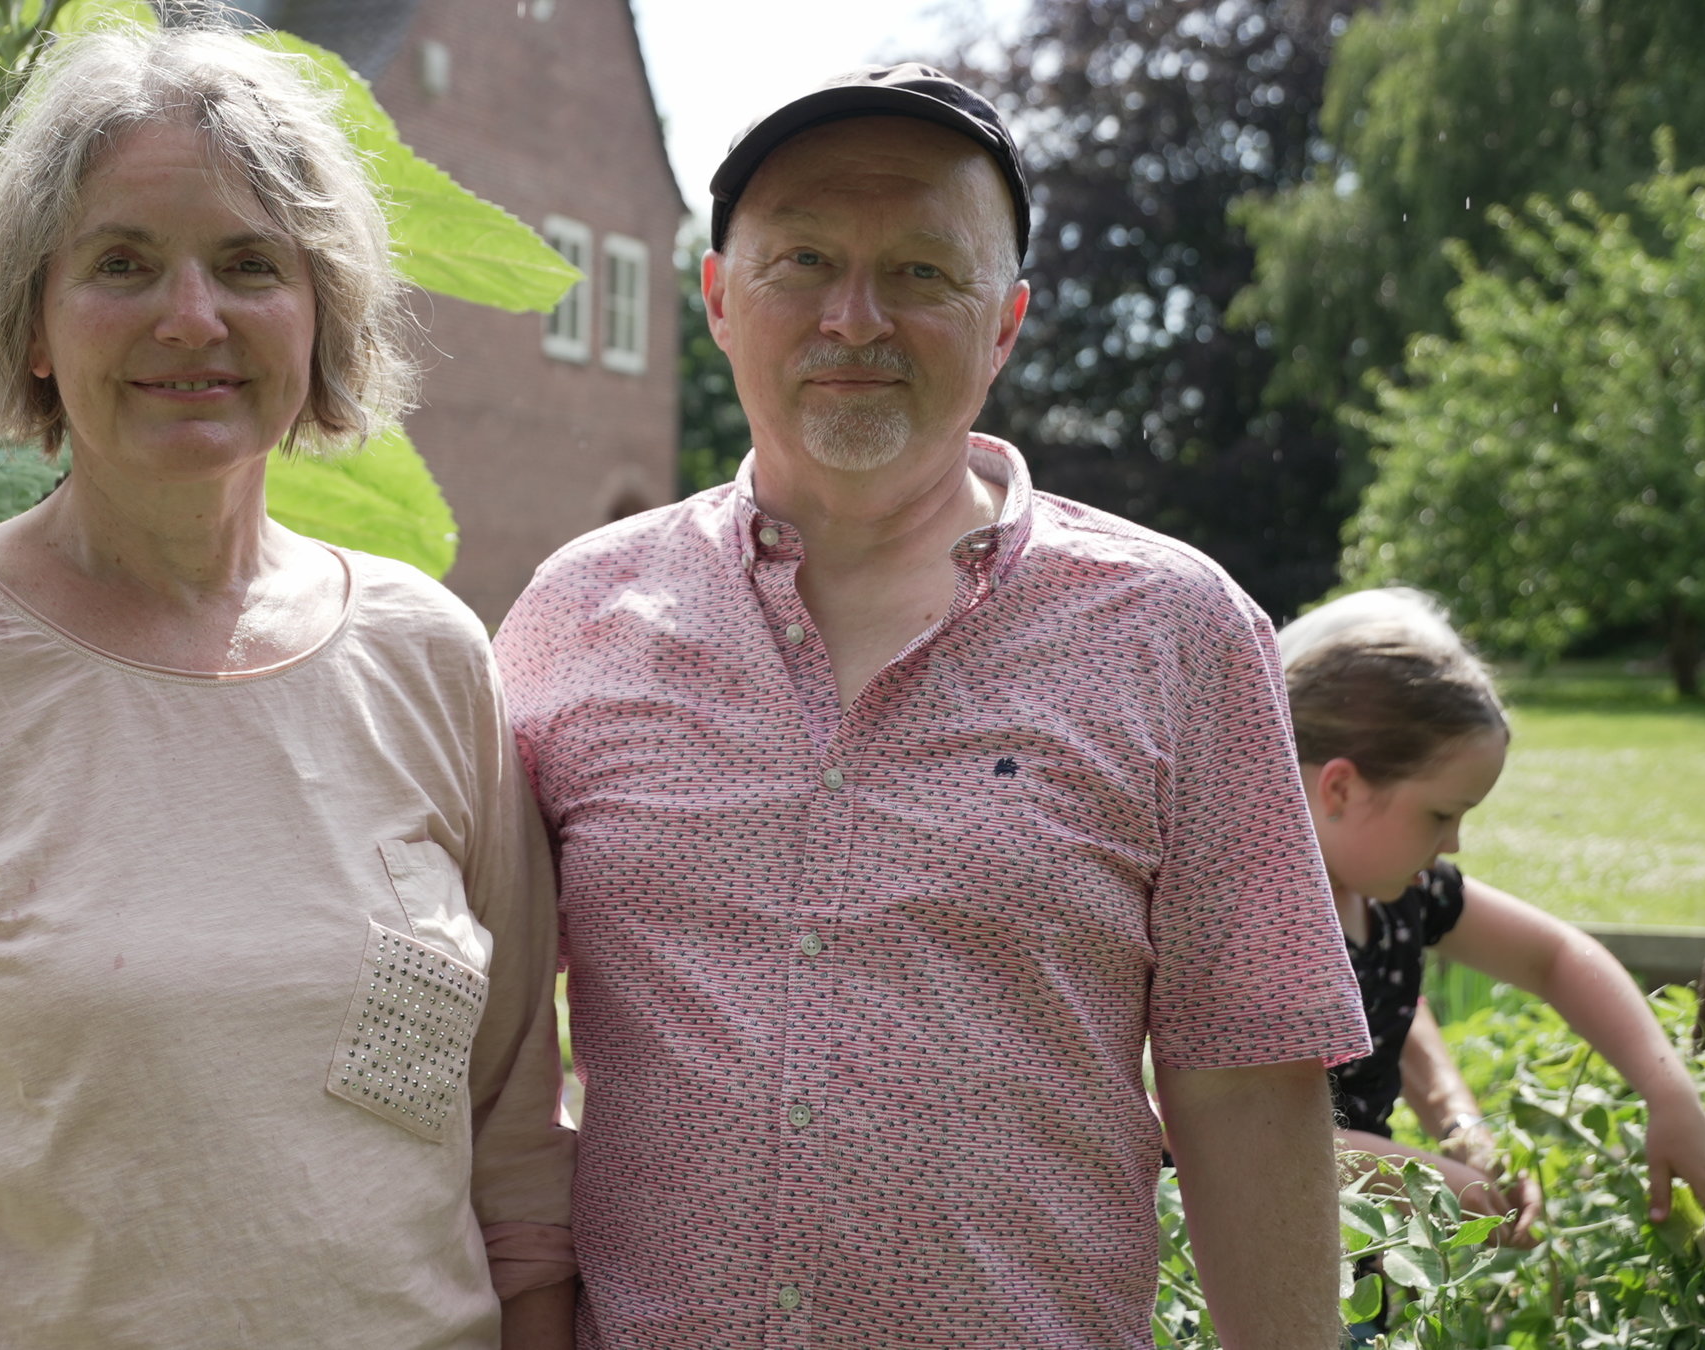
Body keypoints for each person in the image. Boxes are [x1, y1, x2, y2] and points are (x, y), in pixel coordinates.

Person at [0, 24, 576, 1349]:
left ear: (320, 317)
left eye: (250, 264)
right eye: (121, 263)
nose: (190, 318)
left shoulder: (429, 658)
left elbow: (517, 1161)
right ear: (29, 322)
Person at [494, 63, 1371, 1349]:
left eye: (920, 272)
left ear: (1003, 323)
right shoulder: (576, 619)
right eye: (801, 262)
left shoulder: (1176, 633)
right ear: (721, 301)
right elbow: (494, 1054)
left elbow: (1244, 1077)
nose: (855, 318)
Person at [1278, 587, 1705, 1237]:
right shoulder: (1259, 923)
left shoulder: (1401, 896)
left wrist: (1669, 1095)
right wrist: (1422, 1179)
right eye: (1439, 814)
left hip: (1352, 1253)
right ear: (1340, 787)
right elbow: (1250, 1134)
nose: (1453, 842)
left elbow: (1555, 957)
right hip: (1227, 1275)